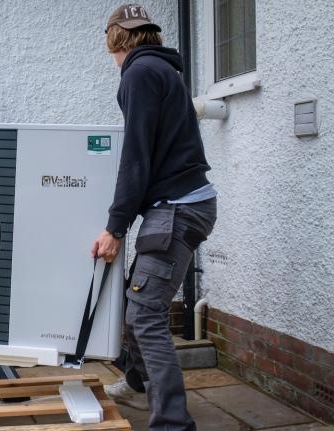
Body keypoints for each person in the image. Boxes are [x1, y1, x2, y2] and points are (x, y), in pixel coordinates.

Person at [91, 4, 218, 430]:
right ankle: (137, 381)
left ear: (115, 38)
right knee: (137, 304)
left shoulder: (140, 74)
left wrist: (115, 227)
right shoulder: (162, 70)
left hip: (177, 209)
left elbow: (137, 157)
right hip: (186, 204)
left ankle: (172, 423)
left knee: (144, 314)